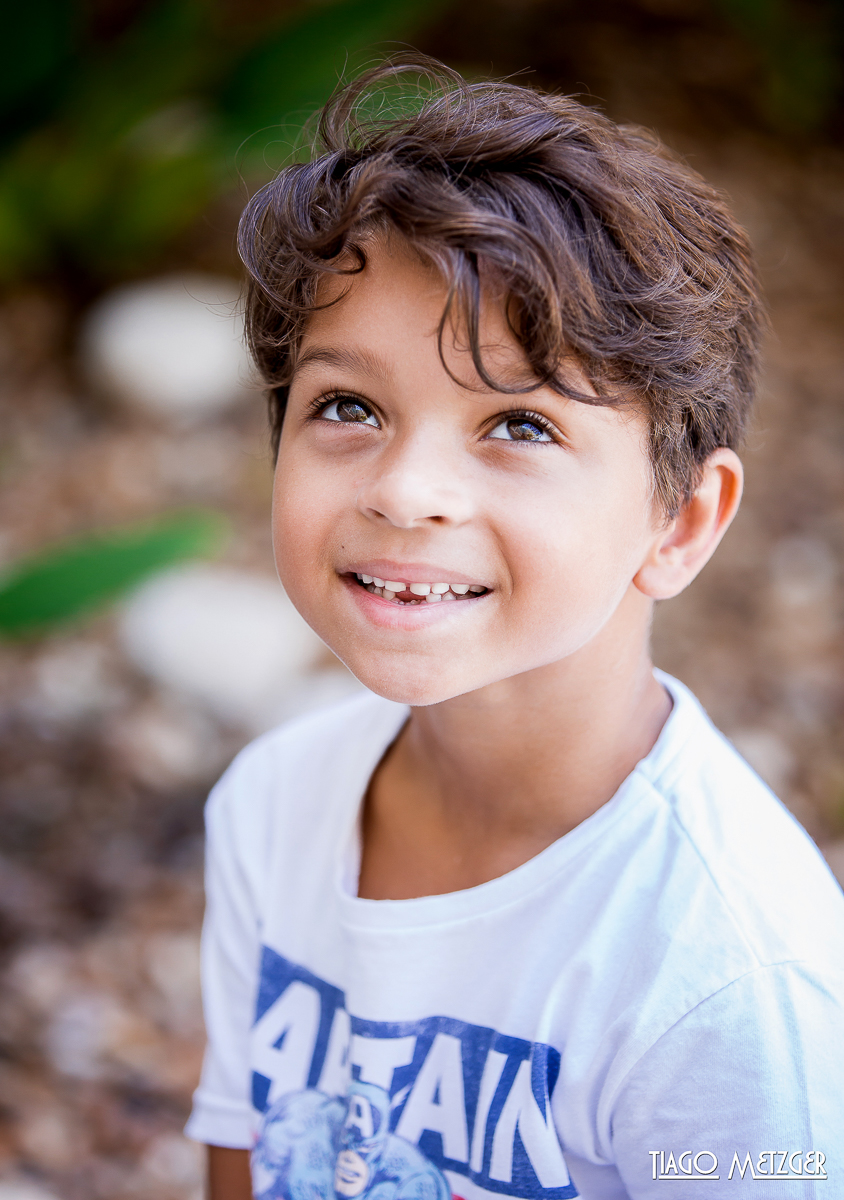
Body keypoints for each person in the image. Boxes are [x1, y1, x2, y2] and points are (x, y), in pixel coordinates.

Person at [185, 56, 844, 1199]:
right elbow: (241, 1151)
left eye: (520, 425)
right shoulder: (273, 807)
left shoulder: (727, 984)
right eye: (350, 406)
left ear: (680, 521)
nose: (407, 491)